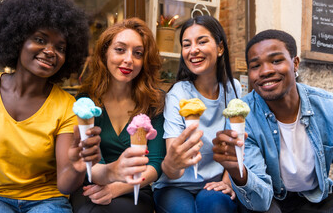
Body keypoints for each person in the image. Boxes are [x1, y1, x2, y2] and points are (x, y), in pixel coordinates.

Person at [0, 0, 101, 213]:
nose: (51, 51)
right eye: (40, 39)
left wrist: (78, 166)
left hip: (47, 201)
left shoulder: (66, 106)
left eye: (60, 47)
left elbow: (65, 183)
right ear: (17, 39)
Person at [213, 29, 333, 212]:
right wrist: (238, 172)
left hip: (315, 197)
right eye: (255, 66)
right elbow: (259, 200)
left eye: (276, 61)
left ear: (295, 63)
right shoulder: (245, 117)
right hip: (270, 198)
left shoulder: (326, 107)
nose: (266, 71)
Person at [69, 17, 166, 213]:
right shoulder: (87, 101)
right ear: (105, 53)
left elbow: (156, 164)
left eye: (138, 53)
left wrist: (116, 188)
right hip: (93, 183)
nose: (129, 59)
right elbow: (92, 163)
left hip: (135, 187)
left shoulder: (154, 102)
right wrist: (106, 181)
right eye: (120, 50)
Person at [153, 15, 240, 213]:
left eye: (202, 41)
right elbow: (173, 169)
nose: (193, 50)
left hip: (216, 182)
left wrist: (227, 181)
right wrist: (172, 162)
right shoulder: (177, 94)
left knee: (216, 206)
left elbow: (235, 146)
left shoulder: (233, 89)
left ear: (220, 48)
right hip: (176, 185)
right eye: (186, 44)